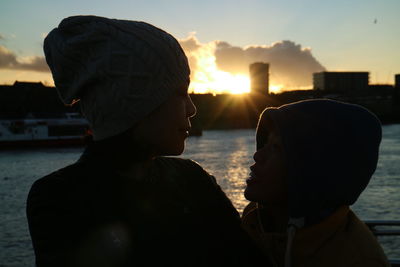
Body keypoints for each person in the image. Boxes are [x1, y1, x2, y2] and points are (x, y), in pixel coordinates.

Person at [27, 15, 265, 267]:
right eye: (180, 93)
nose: (192, 109)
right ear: (134, 103)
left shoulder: (193, 177)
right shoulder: (59, 199)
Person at [242, 99, 390, 267]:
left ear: (313, 167)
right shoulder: (256, 220)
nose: (258, 156)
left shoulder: (357, 260)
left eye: (276, 147)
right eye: (265, 144)